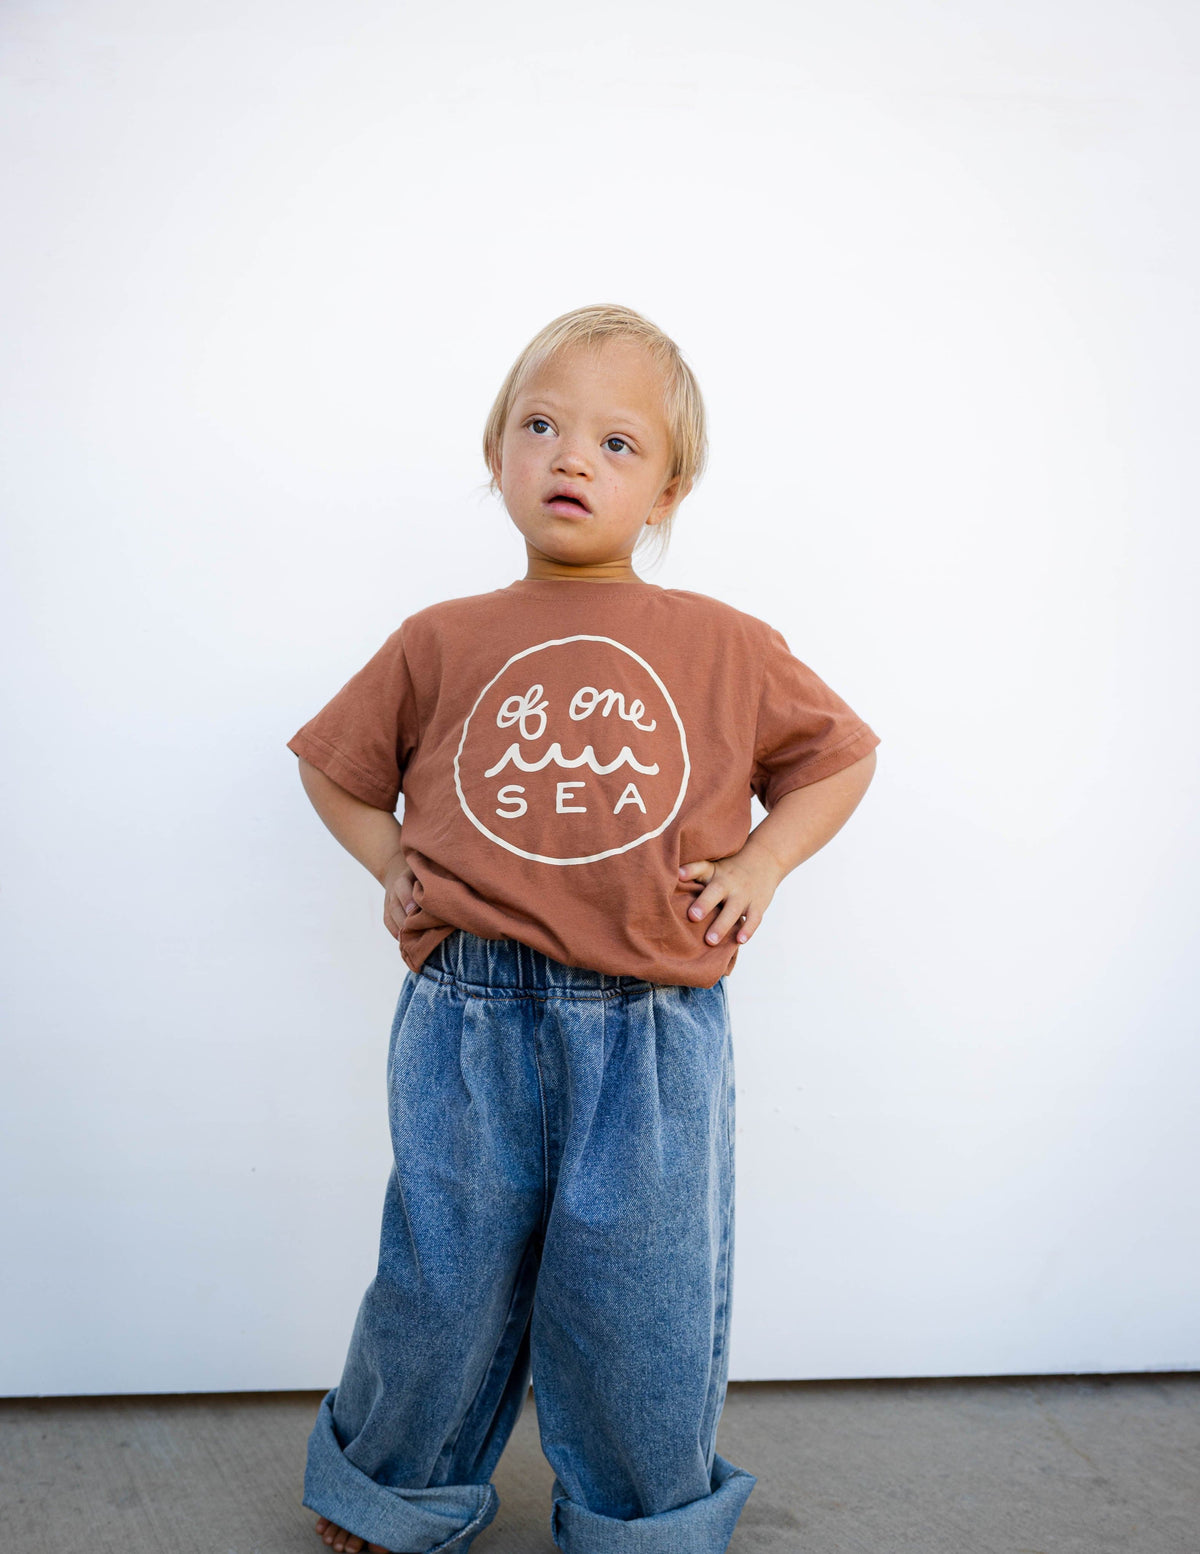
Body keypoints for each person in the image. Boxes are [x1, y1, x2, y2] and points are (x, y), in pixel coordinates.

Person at [286, 303, 880, 1554]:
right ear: (496, 453)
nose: (571, 458)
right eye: (541, 427)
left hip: (649, 1024)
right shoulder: (440, 639)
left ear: (668, 490)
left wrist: (765, 862)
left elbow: (838, 756)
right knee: (442, 1268)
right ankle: (394, 1486)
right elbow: (336, 766)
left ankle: (640, 1519)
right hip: (468, 1015)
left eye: (618, 443)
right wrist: (391, 859)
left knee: (639, 1290)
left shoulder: (723, 643)